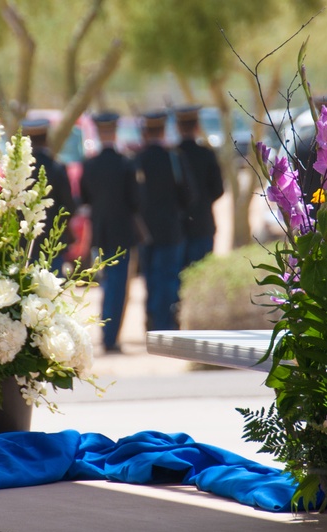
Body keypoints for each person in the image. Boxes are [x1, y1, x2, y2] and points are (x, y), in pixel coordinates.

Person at [79, 112, 142, 353]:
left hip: (101, 232)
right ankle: (110, 337)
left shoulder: (90, 164)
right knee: (117, 285)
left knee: (107, 283)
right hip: (123, 232)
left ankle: (107, 334)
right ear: (115, 132)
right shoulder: (126, 163)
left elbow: (84, 199)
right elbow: (135, 200)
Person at [134, 110, 192, 331]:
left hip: (145, 230)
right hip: (170, 227)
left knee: (150, 279)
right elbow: (188, 195)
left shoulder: (138, 159)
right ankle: (165, 323)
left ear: (146, 132)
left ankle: (151, 321)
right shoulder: (174, 158)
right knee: (168, 277)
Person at [22, 118, 76, 273]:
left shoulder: (20, 170)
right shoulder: (57, 168)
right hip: (51, 244)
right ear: (46, 139)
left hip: (23, 244)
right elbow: (69, 206)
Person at [173, 106, 224, 269]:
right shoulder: (206, 154)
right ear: (197, 127)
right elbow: (218, 189)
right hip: (203, 222)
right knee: (202, 273)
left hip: (177, 225)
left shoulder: (172, 154)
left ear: (178, 128)